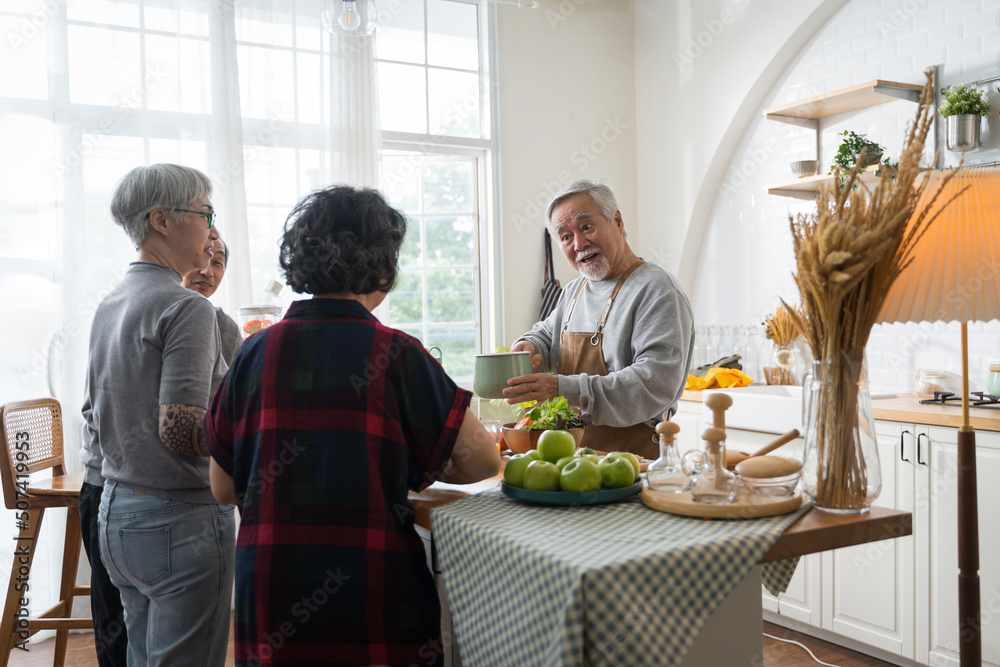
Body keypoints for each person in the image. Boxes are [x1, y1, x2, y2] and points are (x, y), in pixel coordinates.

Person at [205, 184, 500, 667]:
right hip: (375, 593)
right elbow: (484, 460)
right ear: (382, 265)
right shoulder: (398, 353)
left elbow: (222, 487)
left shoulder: (253, 353)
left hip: (271, 597)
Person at [82, 163, 235, 666]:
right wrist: (251, 434)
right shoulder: (187, 307)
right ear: (161, 221)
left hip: (117, 513)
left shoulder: (112, 302)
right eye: (206, 213)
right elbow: (179, 428)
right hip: (179, 519)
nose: (212, 229)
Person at [505, 179, 695, 460]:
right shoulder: (575, 290)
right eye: (566, 237)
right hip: (573, 460)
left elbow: (653, 384)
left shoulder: (657, 290)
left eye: (586, 227)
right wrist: (531, 345)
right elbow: (547, 334)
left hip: (634, 465)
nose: (579, 244)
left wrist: (560, 388)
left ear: (616, 220)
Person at [182, 235, 242, 365]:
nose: (207, 272)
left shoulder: (226, 328)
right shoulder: (156, 313)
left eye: (217, 263)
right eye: (199, 257)